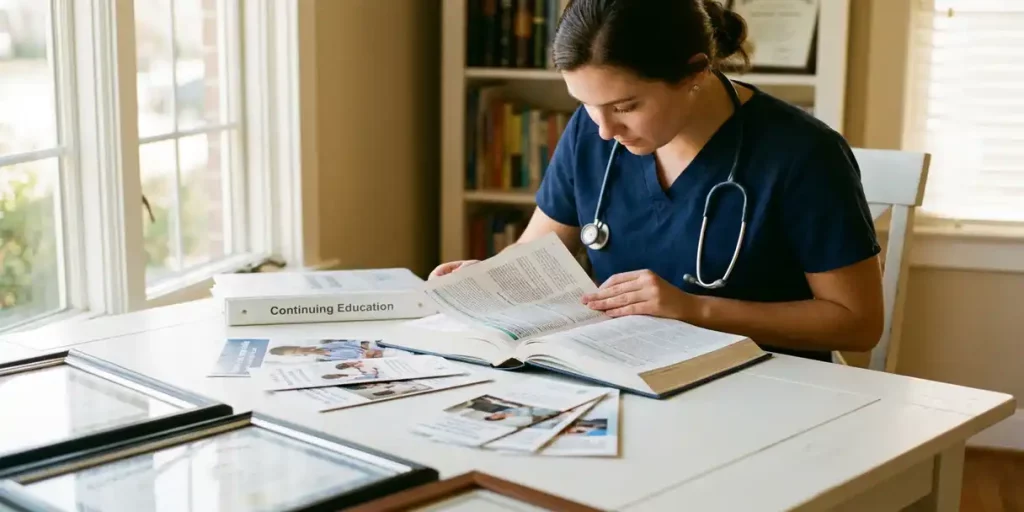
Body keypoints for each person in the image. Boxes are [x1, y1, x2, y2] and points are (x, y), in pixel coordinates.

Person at [430, 0, 884, 362]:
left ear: (696, 72)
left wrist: (694, 309)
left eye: (626, 106)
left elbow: (857, 324)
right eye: (587, 104)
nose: (605, 129)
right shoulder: (592, 131)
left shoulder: (803, 154)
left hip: (763, 388)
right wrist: (488, 280)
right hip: (618, 373)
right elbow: (534, 254)